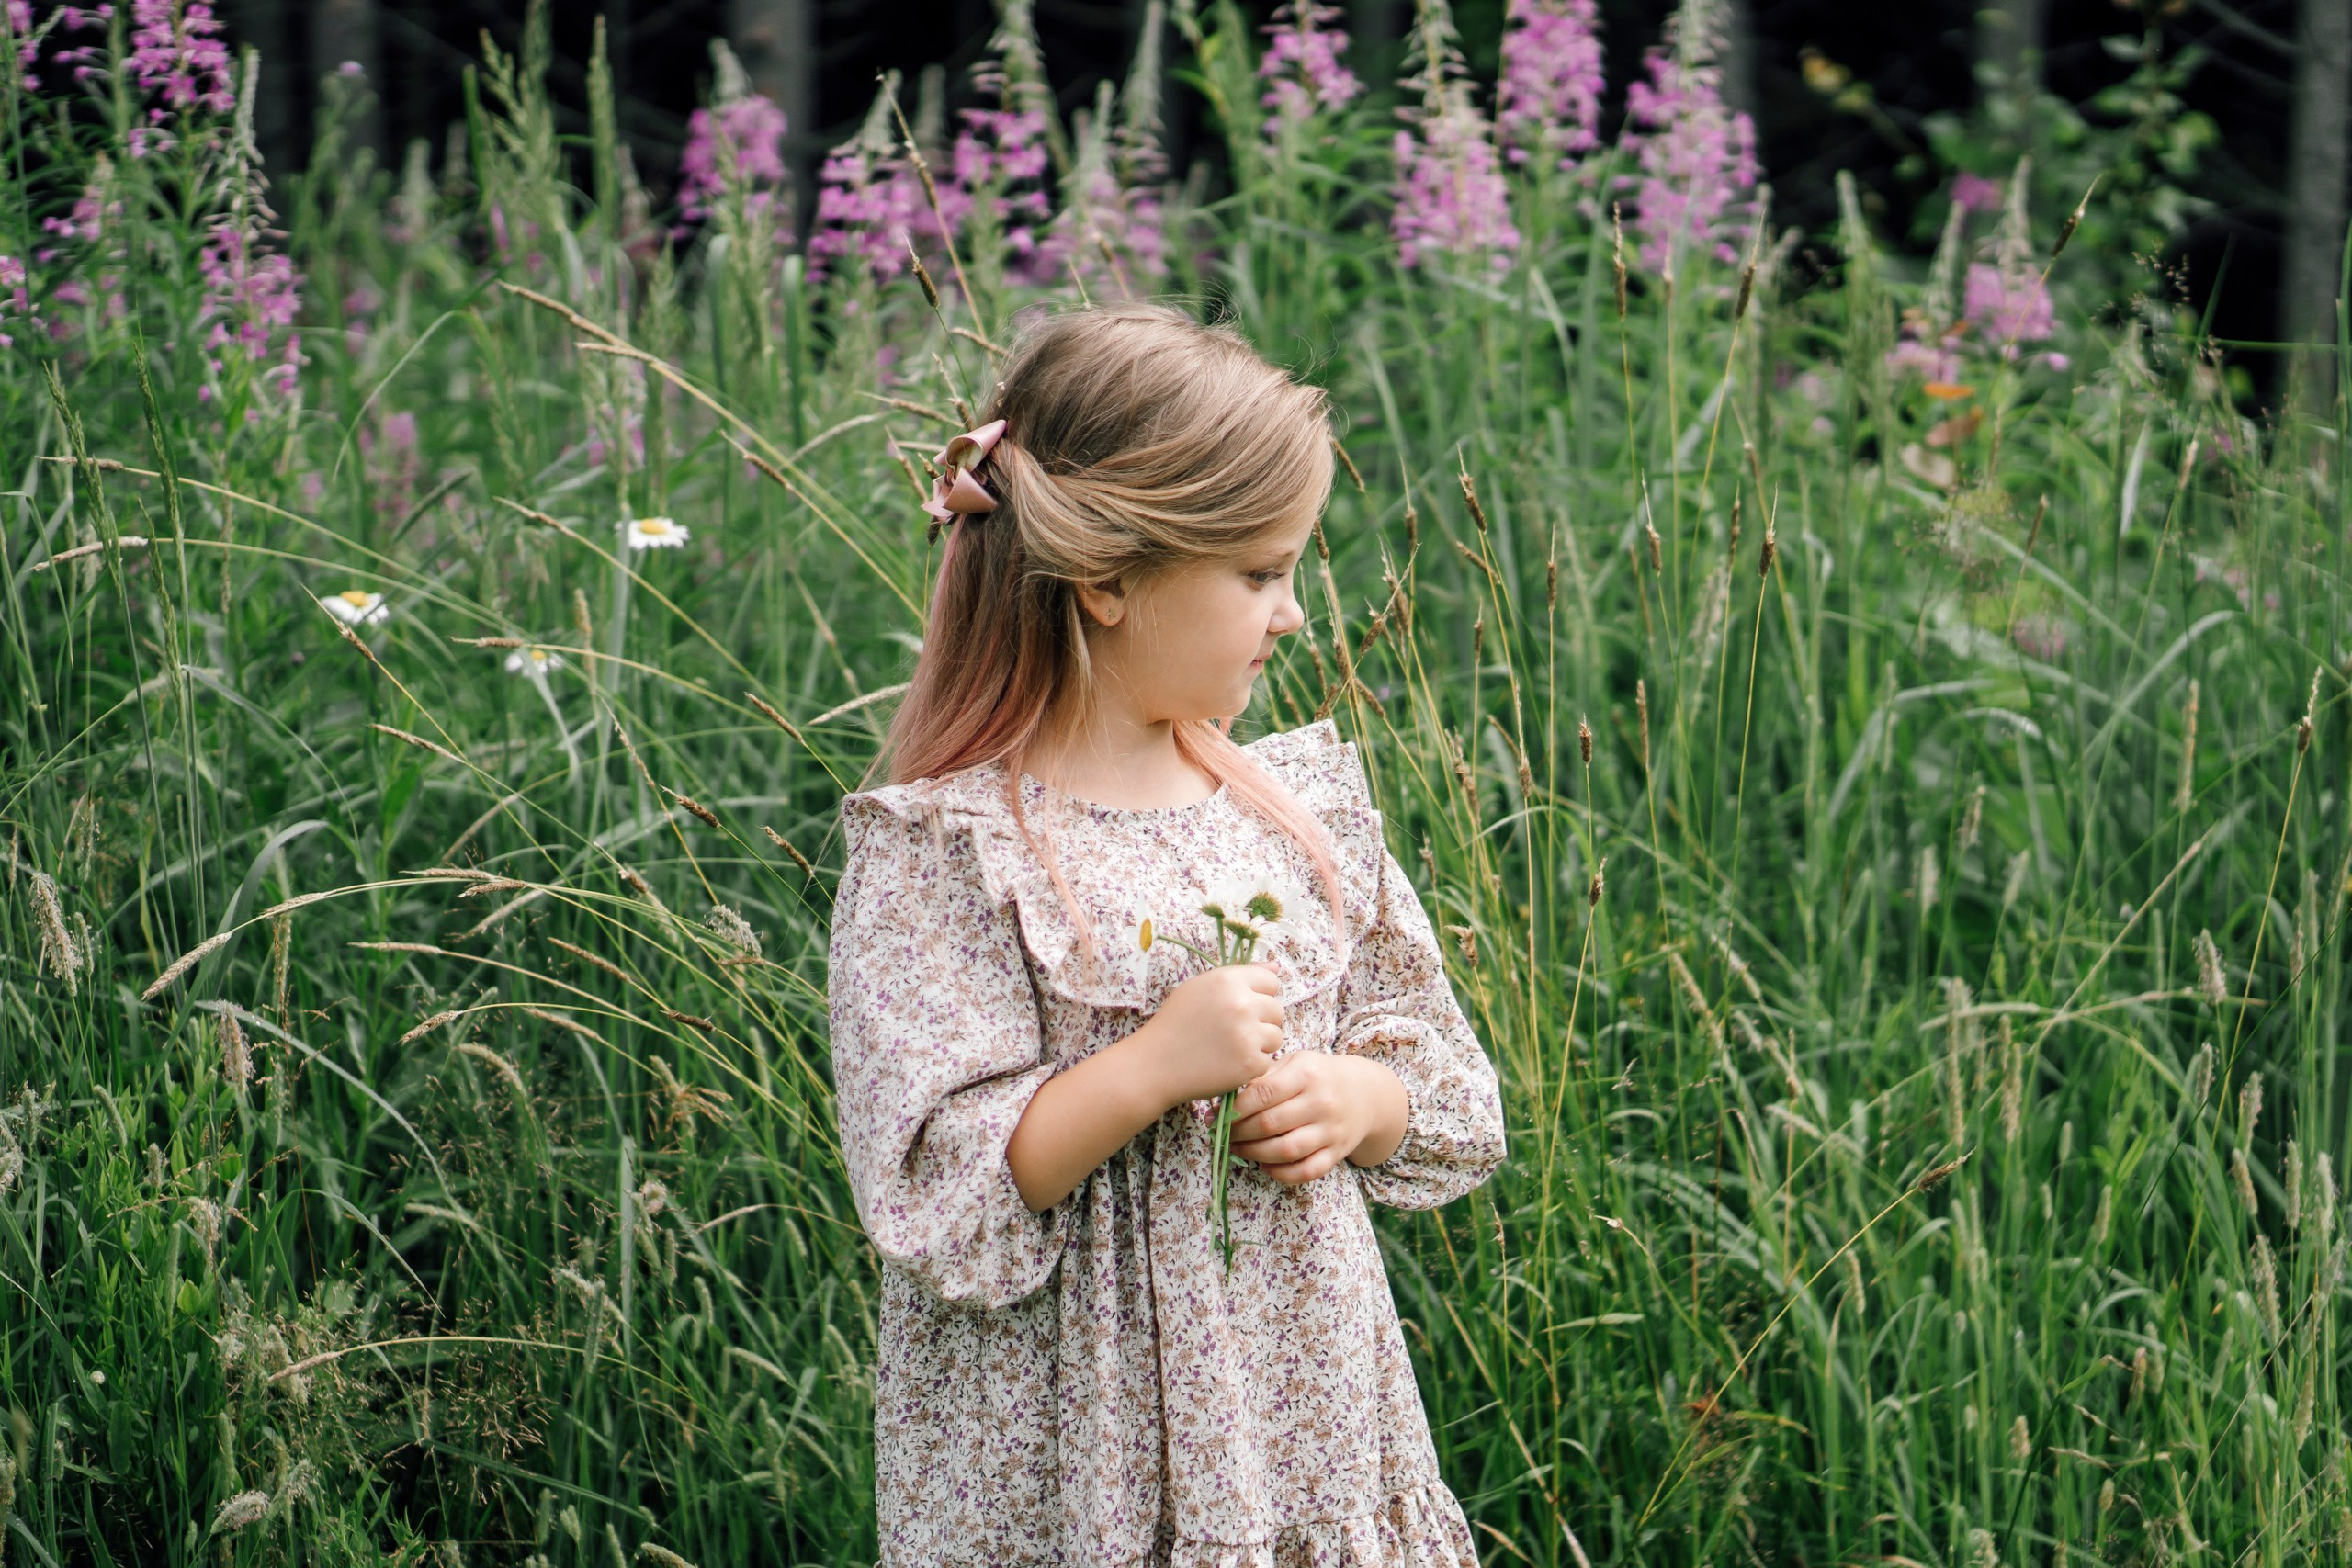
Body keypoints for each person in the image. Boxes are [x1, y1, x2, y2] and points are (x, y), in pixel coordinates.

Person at [826, 302, 1506, 1567]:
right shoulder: (951, 852)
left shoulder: (1289, 820)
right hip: (1069, 1456)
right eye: (1258, 575)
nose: (1292, 614)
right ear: (1108, 582)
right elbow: (938, 1194)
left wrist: (1356, 1102)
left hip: (1299, 1436)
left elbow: (1449, 1096)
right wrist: (1147, 1069)